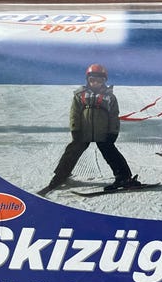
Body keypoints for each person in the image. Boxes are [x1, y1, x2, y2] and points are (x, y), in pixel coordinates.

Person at [38, 64, 141, 195]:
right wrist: (75, 129)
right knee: (71, 152)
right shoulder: (80, 95)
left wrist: (113, 132)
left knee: (111, 153)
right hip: (83, 132)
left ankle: (124, 178)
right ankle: (61, 175)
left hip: (103, 132)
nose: (96, 83)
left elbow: (114, 116)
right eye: (93, 80)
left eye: (100, 80)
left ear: (104, 81)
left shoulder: (110, 97)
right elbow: (74, 114)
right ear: (88, 80)